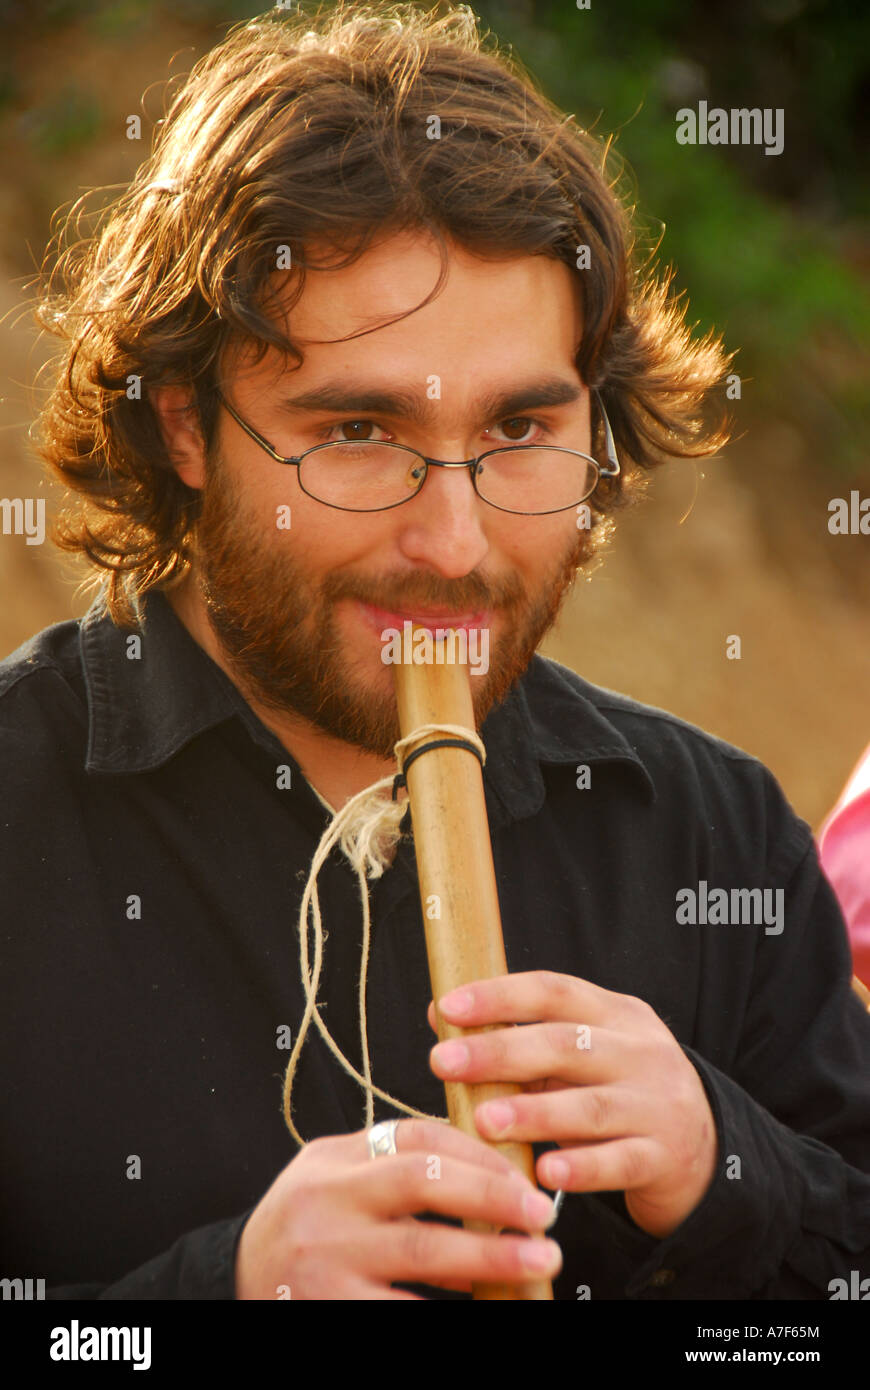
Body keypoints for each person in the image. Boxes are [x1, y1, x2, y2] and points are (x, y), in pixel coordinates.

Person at [2, 1, 868, 1302]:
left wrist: (725, 1163)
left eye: (520, 428)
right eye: (357, 429)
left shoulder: (715, 836)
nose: (453, 540)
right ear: (185, 427)